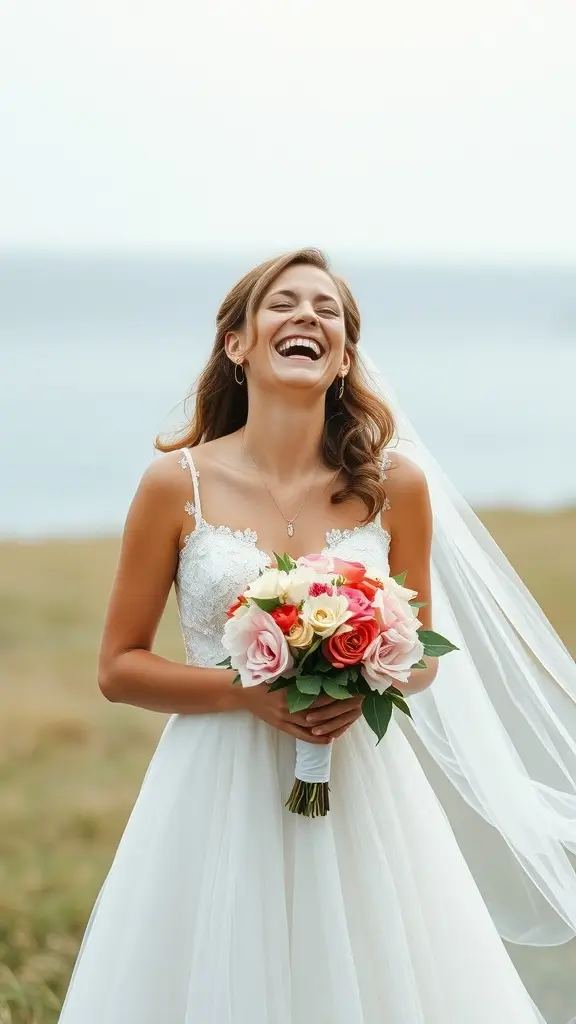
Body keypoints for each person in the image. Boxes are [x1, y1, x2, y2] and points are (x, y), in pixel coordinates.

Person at [58, 248, 576, 1024]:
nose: (307, 316)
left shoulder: (395, 485)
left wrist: (366, 674)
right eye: (284, 303)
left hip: (362, 782)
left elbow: (421, 657)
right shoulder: (175, 484)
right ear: (237, 344)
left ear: (343, 358)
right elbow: (118, 667)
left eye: (327, 310)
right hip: (213, 785)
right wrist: (248, 692)